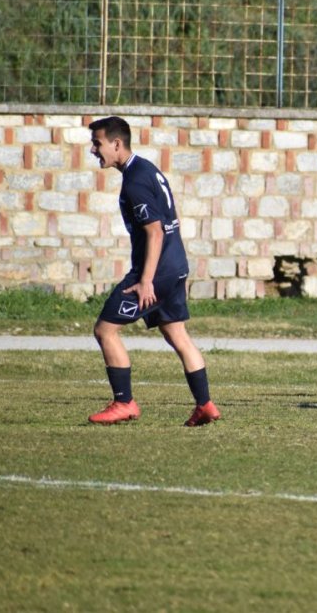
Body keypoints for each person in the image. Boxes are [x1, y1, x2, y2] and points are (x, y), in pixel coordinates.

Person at [87, 116, 220, 427]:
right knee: (176, 333)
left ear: (116, 144)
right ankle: (205, 405)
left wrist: (146, 281)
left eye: (97, 143)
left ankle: (124, 402)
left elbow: (155, 231)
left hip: (155, 273)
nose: (94, 150)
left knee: (104, 330)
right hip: (174, 266)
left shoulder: (135, 181)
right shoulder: (146, 169)